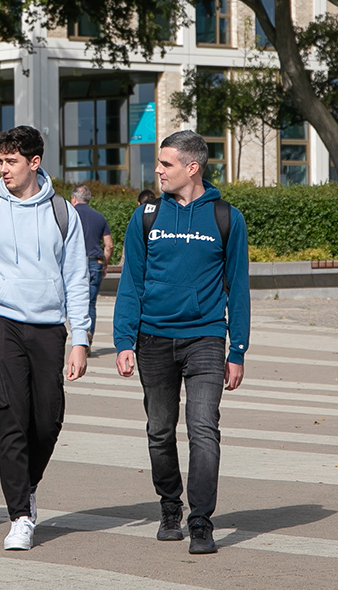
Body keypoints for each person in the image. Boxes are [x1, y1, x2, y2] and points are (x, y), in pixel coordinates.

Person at [0, 125, 91, 551]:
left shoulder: (63, 213)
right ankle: (20, 515)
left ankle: (25, 485)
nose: (4, 169)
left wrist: (80, 338)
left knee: (47, 419)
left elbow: (77, 278)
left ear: (35, 162)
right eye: (0, 161)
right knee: (10, 417)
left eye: (12, 161)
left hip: (49, 327)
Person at [113, 130, 250, 555]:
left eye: (165, 164)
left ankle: (201, 521)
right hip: (152, 338)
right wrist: (123, 341)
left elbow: (238, 287)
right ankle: (170, 507)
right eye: (158, 163)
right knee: (159, 431)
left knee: (204, 429)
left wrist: (237, 349)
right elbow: (131, 282)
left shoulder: (226, 217)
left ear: (192, 167)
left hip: (206, 338)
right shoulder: (147, 216)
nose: (157, 170)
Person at [71, 185, 113, 354]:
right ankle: (88, 337)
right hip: (95, 262)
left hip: (75, 263)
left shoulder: (69, 215)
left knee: (73, 301)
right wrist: (105, 264)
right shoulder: (99, 217)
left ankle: (79, 337)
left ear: (74, 199)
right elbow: (109, 245)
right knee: (90, 303)